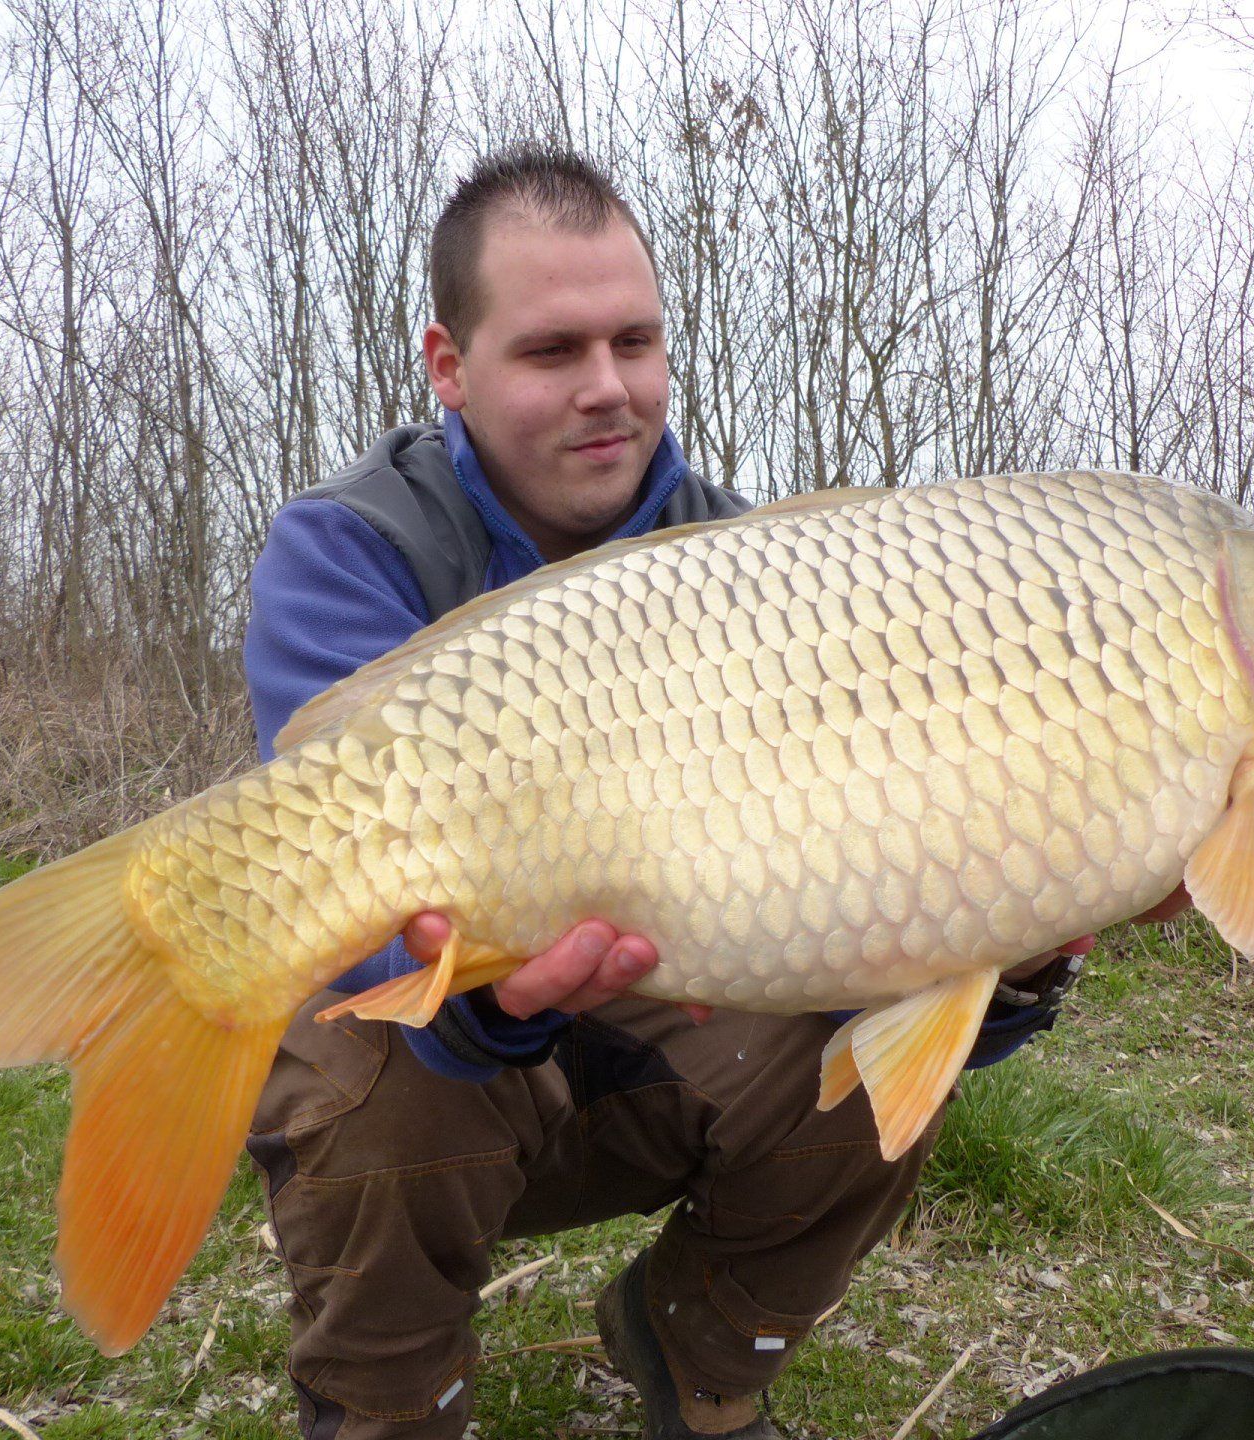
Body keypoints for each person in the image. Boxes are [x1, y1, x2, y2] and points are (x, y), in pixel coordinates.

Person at [242, 145, 1186, 1440]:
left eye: (637, 341)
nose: (609, 390)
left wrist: (1013, 960)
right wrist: (489, 1009)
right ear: (447, 367)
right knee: (363, 1051)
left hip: (657, 1043)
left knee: (871, 1056)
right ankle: (391, 1404)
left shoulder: (758, 563)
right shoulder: (355, 548)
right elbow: (338, 929)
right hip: (450, 1064)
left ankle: (697, 1352)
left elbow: (873, 901)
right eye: (552, 351)